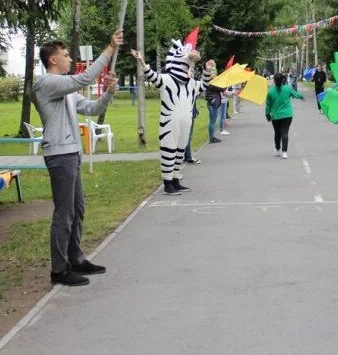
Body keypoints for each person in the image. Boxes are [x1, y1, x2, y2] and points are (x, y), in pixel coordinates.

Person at [34, 29, 122, 287]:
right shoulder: (46, 84)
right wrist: (109, 49)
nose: (70, 58)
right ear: (53, 60)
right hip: (59, 155)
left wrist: (109, 92)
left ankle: (75, 258)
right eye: (65, 55)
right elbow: (84, 78)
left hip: (71, 154)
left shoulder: (67, 90)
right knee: (64, 213)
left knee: (77, 209)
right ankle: (59, 270)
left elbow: (93, 109)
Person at [131, 34, 214, 196]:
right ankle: (167, 182)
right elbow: (151, 76)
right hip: (169, 123)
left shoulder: (190, 83)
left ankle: (176, 179)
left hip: (185, 122)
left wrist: (207, 71)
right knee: (169, 150)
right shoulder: (167, 80)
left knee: (180, 151)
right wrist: (141, 61)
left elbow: (203, 86)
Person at [265, 72, 304, 159]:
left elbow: (268, 105)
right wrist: (302, 97)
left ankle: (277, 149)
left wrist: (267, 115)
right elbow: (295, 94)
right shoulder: (287, 88)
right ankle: (284, 152)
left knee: (277, 133)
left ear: (274, 80)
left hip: (276, 116)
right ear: (283, 80)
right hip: (287, 115)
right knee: (284, 132)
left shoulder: (270, 91)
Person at [183, 98, 201, 165]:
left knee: (185, 136)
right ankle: (189, 158)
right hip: (188, 113)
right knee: (188, 136)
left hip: (185, 113)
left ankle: (186, 156)